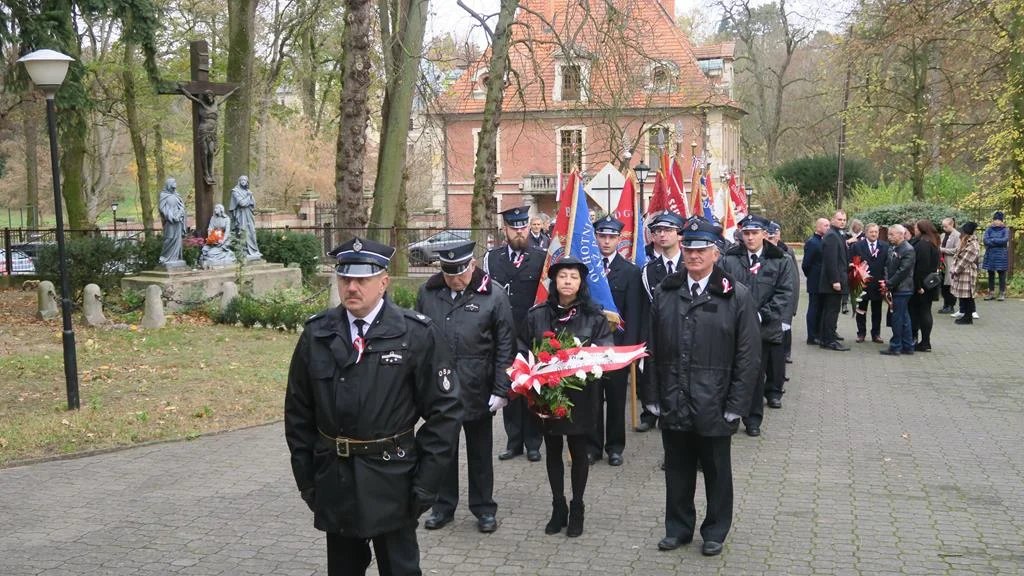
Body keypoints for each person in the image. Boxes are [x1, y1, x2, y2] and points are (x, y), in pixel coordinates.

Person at [284, 236, 463, 576]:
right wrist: (307, 479)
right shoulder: (318, 334)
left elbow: (445, 413)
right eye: (345, 278)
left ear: (383, 282)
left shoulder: (415, 334)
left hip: (393, 478)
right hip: (335, 477)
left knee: (400, 569)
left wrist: (425, 484)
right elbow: (298, 414)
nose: (352, 287)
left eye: (362, 279)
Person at [641, 216, 760, 558]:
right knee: (677, 470)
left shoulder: (736, 296)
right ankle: (678, 528)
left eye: (702, 249)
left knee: (717, 472)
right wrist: (651, 397)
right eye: (689, 248)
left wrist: (736, 404)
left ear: (715, 253)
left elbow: (748, 356)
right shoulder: (666, 293)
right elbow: (651, 349)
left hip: (716, 402)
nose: (694, 256)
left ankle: (715, 531)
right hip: (674, 398)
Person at [415, 241, 515, 534]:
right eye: (448, 273)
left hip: (478, 385)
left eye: (460, 272)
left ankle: (484, 508)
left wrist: (501, 388)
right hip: (440, 386)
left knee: (480, 452)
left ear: (472, 265)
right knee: (442, 450)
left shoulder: (493, 294)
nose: (455, 279)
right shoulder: (428, 293)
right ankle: (442, 507)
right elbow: (417, 340)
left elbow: (505, 345)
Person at [521, 257, 614, 538]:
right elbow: (523, 346)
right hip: (547, 396)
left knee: (578, 450)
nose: (568, 282)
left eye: (573, 277)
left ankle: (578, 507)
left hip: (580, 396)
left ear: (581, 283)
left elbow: (605, 350)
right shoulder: (537, 314)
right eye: (562, 276)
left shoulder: (595, 316)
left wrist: (580, 366)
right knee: (552, 450)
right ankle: (558, 505)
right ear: (554, 281)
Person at [719, 214, 794, 434]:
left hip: (764, 327)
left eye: (754, 233)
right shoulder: (729, 259)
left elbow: (784, 293)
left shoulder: (780, 260)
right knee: (731, 372)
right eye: (746, 233)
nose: (750, 238)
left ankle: (752, 419)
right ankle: (730, 416)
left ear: (764, 234)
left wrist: (761, 315)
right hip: (733, 326)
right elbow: (723, 287)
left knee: (754, 373)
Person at [483, 206, 546, 462]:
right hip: (504, 333)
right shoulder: (492, 258)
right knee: (510, 388)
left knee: (532, 389)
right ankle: (514, 441)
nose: (519, 232)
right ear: (505, 230)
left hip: (532, 333)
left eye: (523, 227)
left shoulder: (542, 258)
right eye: (514, 227)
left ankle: (533, 443)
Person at [587, 216, 642, 466]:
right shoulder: (585, 268)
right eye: (602, 236)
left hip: (617, 348)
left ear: (619, 239)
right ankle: (593, 446)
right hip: (590, 348)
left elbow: (632, 312)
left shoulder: (630, 271)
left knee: (617, 399)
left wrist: (628, 350)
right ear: (595, 237)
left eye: (611, 237)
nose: (606, 241)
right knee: (592, 399)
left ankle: (615, 447)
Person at [637, 211, 685, 432]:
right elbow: (647, 305)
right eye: (657, 231)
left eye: (668, 230)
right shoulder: (649, 270)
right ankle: (650, 412)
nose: (662, 235)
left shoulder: (689, 264)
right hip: (658, 329)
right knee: (653, 371)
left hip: (685, 329)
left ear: (679, 234)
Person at [179, 86, 239, 185]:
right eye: (207, 95)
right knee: (205, 152)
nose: (209, 97)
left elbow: (225, 97)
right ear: (205, 97)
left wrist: (233, 91)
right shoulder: (201, 103)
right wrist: (182, 89)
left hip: (212, 132)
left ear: (213, 96)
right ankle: (206, 173)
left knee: (211, 152)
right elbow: (190, 96)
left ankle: (211, 173)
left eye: (211, 95)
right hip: (203, 130)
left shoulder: (216, 104)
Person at [848, 223, 888, 343]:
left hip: (877, 283)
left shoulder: (884, 246)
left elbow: (887, 264)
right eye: (871, 232)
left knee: (877, 310)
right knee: (861, 309)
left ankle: (876, 334)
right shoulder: (857, 246)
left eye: (876, 232)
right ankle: (861, 333)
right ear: (866, 233)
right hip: (862, 283)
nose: (874, 234)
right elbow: (853, 263)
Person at [880, 224, 916, 356]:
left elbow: (903, 271)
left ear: (901, 234)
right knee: (904, 317)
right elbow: (888, 266)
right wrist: (886, 280)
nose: (889, 237)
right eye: (889, 234)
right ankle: (908, 345)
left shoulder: (908, 249)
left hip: (903, 288)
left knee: (897, 318)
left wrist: (889, 283)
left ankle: (896, 346)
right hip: (897, 287)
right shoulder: (893, 247)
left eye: (892, 234)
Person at [767, 222, 799, 363]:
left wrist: (792, 308)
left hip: (781, 307)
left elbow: (793, 282)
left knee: (784, 332)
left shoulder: (786, 254)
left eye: (773, 237)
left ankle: (786, 354)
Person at [819, 210, 850, 351]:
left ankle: (826, 339)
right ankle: (829, 341)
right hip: (832, 282)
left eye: (844, 219)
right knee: (831, 312)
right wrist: (835, 281)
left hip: (836, 280)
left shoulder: (838, 234)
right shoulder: (831, 235)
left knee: (830, 311)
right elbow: (831, 261)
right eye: (839, 219)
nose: (842, 221)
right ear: (832, 220)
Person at [909, 220, 941, 352]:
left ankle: (924, 341)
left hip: (922, 285)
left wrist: (918, 285)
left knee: (920, 312)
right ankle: (925, 340)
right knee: (926, 311)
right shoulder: (934, 243)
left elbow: (920, 267)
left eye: (916, 228)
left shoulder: (922, 244)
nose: (914, 230)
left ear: (921, 229)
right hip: (931, 283)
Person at [802, 218, 829, 345]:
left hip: (822, 282)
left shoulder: (823, 241)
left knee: (820, 308)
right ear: (818, 227)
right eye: (825, 225)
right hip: (815, 281)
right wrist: (812, 276)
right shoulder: (813, 242)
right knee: (814, 308)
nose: (828, 227)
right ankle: (812, 336)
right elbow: (806, 264)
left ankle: (818, 333)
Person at [950, 221, 981, 325]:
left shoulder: (973, 244)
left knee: (967, 296)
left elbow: (965, 260)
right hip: (962, 272)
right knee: (964, 296)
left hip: (967, 272)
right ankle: (966, 315)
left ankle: (968, 317)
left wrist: (955, 270)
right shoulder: (965, 241)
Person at [230, 175, 262, 260]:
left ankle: (253, 251)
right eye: (242, 180)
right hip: (241, 216)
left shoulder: (248, 191)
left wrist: (249, 197)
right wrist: (248, 197)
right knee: (243, 232)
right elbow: (242, 203)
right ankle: (243, 251)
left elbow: (253, 204)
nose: (243, 181)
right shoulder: (235, 191)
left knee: (252, 231)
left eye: (245, 180)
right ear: (239, 181)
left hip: (249, 215)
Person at [158, 178, 186, 266]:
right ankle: (165, 257)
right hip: (170, 221)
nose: (175, 185)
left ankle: (175, 258)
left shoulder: (177, 195)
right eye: (173, 183)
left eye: (175, 182)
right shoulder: (163, 195)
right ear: (169, 184)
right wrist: (171, 216)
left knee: (177, 239)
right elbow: (162, 208)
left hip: (178, 221)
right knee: (169, 238)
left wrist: (180, 214)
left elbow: (182, 207)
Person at [982, 211, 1009, 301]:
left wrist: (992, 240)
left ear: (1002, 221)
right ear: (993, 220)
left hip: (1001, 255)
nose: (997, 222)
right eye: (995, 220)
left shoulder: (1005, 229)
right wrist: (997, 241)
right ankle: (991, 293)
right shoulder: (988, 229)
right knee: (990, 274)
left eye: (998, 220)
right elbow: (985, 240)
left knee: (1001, 274)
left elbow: (1004, 240)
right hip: (990, 254)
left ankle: (1002, 293)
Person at [200, 203, 237, 268]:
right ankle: (217, 254)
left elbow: (227, 232)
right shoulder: (213, 218)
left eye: (216, 208)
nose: (215, 210)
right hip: (214, 240)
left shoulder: (226, 219)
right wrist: (211, 238)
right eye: (215, 208)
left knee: (210, 254)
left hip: (224, 240)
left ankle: (226, 254)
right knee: (204, 250)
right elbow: (210, 229)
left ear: (221, 209)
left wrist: (223, 240)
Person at [938, 218, 961, 313]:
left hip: (951, 262)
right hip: (942, 263)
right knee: (943, 284)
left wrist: (943, 250)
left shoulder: (957, 235)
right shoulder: (943, 235)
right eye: (943, 226)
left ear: (952, 224)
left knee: (950, 285)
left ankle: (951, 305)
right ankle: (945, 304)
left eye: (946, 226)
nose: (944, 228)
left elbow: (957, 250)